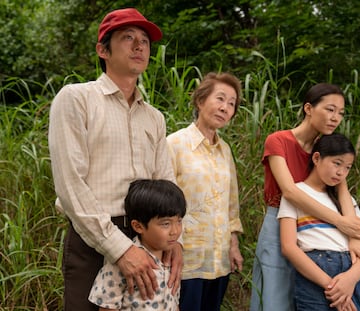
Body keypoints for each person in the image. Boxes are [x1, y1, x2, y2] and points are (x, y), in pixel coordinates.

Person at [48, 8, 182, 311]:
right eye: (128, 38)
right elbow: (70, 186)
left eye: (145, 41)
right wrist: (120, 250)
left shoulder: (154, 117)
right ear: (102, 50)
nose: (139, 46)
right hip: (92, 239)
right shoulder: (76, 99)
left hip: (149, 236)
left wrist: (174, 239)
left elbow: (166, 184)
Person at [249, 83, 360, 311]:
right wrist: (340, 222)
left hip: (316, 228)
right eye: (329, 109)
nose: (335, 117)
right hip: (281, 220)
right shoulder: (278, 141)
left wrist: (354, 234)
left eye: (340, 113)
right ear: (309, 108)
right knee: (275, 297)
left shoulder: (325, 147)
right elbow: (289, 191)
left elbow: (342, 190)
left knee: (307, 294)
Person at [166, 72, 244, 311]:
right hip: (185, 259)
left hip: (219, 260)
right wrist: (170, 246)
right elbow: (164, 204)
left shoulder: (225, 150)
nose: (225, 108)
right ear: (200, 101)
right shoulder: (175, 144)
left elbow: (231, 203)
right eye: (220, 99)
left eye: (231, 104)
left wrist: (233, 245)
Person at [278, 133, 360, 310]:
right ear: (316, 158)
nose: (341, 173)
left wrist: (350, 280)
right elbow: (289, 247)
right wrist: (332, 286)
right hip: (316, 274)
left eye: (347, 168)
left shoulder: (346, 201)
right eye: (337, 163)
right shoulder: (298, 195)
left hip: (354, 275)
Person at [88, 179, 186, 311]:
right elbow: (107, 306)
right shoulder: (122, 264)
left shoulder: (172, 261)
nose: (175, 231)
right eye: (166, 224)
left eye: (179, 221)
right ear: (138, 226)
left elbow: (174, 301)